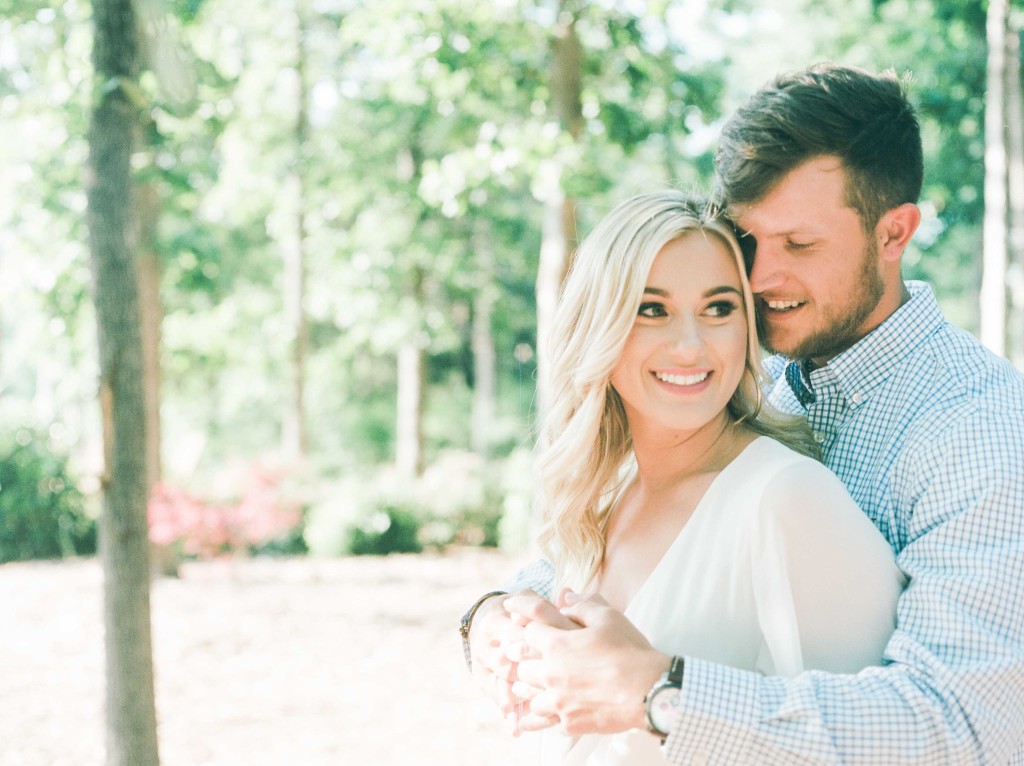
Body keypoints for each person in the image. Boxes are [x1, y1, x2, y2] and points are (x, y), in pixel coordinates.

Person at [461, 63, 1024, 764]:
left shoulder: (983, 429)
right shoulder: (751, 384)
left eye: (799, 244)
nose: (756, 279)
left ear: (895, 233)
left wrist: (663, 697)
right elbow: (601, 562)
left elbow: (967, 730)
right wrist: (488, 618)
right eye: (747, 241)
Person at [463, 188, 903, 764]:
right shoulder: (605, 496)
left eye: (719, 308)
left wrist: (657, 702)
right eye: (653, 309)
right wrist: (492, 622)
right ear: (600, 327)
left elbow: (866, 747)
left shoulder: (786, 498)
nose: (691, 346)